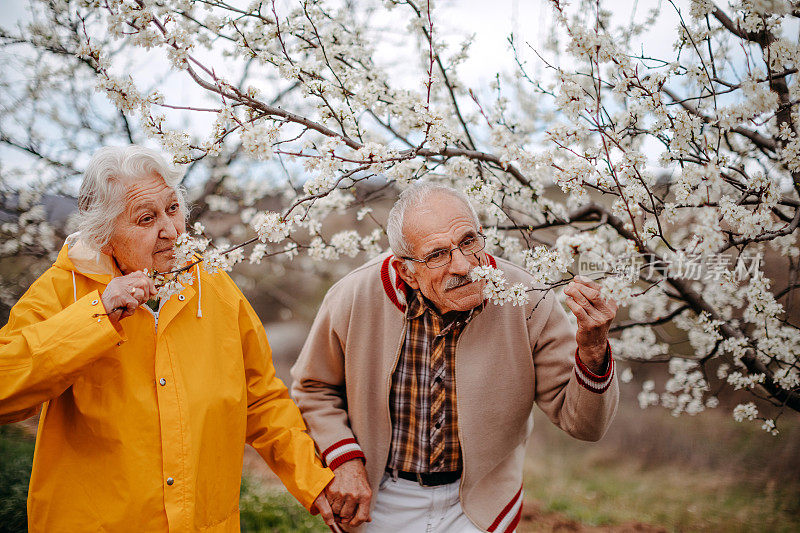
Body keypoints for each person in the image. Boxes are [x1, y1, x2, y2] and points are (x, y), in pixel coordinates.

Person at [0, 145, 336, 532]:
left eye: (173, 209)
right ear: (104, 236)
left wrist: (314, 482)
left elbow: (260, 398)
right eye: (146, 219)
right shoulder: (63, 291)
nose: (172, 231)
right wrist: (97, 314)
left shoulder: (214, 286)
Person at [291, 183, 619, 532]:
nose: (463, 265)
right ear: (406, 272)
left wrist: (593, 350)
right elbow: (314, 388)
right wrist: (345, 461)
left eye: (468, 242)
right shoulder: (353, 295)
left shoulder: (528, 299)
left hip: (480, 502)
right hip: (379, 495)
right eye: (437, 255)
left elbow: (585, 425)